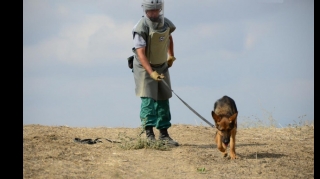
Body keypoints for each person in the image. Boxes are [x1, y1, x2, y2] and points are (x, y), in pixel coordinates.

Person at [131, 0, 178, 146]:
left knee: (164, 98)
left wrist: (170, 56)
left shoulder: (166, 24)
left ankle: (164, 134)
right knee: (148, 99)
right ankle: (149, 135)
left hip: (161, 65)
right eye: (151, 11)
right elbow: (141, 53)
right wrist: (151, 73)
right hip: (144, 67)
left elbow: (169, 38)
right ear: (145, 10)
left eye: (157, 10)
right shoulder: (141, 27)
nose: (154, 13)